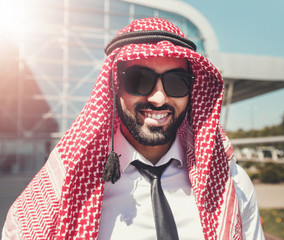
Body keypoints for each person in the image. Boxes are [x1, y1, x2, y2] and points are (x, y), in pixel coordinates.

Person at [2, 18, 264, 240]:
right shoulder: (63, 191)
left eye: (176, 83)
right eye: (140, 80)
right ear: (114, 87)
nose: (159, 99)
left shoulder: (231, 184)